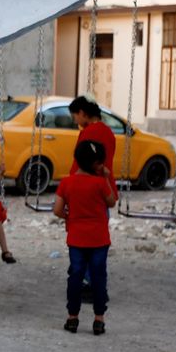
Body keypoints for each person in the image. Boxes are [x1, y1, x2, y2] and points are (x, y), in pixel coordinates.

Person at [54, 140, 117, 335]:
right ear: (94, 164)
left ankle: (72, 318)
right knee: (99, 277)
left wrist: (70, 217)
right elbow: (112, 202)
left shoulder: (67, 182)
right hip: (99, 239)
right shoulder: (100, 183)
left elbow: (57, 210)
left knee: (75, 275)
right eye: (101, 163)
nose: (103, 167)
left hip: (76, 238)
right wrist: (107, 178)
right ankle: (99, 319)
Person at [68, 95, 116, 192]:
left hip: (87, 187)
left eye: (74, 117)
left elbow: (79, 163)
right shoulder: (108, 132)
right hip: (105, 187)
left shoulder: (87, 132)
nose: (75, 121)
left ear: (81, 113)